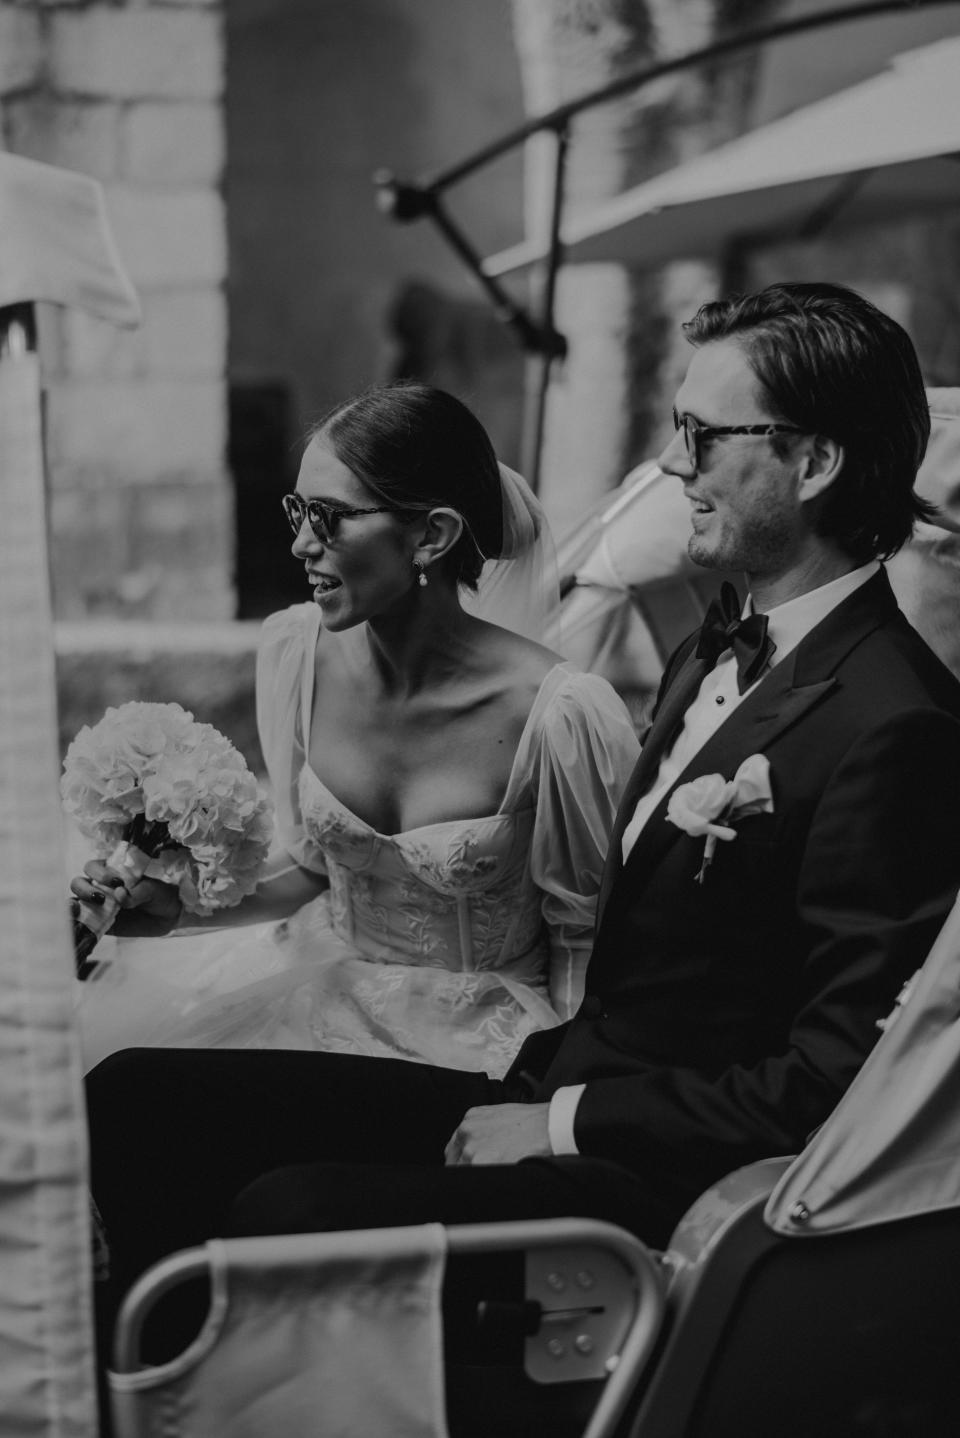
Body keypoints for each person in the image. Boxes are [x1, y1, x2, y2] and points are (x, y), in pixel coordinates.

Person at [86, 282, 960, 1321]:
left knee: (286, 1212)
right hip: (552, 1080)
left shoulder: (897, 723)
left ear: (814, 464)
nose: (674, 462)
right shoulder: (710, 649)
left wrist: (563, 1125)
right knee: (133, 1097)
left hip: (654, 1175)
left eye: (701, 432)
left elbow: (843, 1079)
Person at [72, 383, 640, 1077]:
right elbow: (314, 866)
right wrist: (175, 907)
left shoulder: (561, 716)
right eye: (298, 510)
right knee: (130, 1097)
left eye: (329, 517)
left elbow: (585, 944)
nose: (299, 543)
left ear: (431, 535)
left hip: (480, 1054)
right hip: (322, 1006)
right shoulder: (294, 654)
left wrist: (553, 1104)